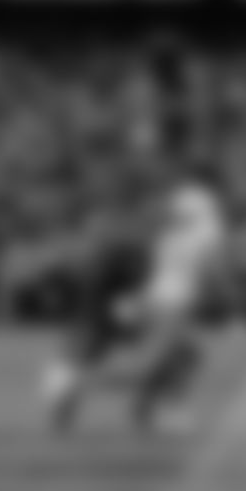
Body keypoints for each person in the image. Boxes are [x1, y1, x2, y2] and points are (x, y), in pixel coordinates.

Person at [42, 181, 227, 434]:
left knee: (184, 355)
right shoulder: (200, 235)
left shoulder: (167, 235)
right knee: (150, 366)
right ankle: (77, 384)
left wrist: (136, 300)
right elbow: (210, 276)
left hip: (151, 301)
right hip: (168, 305)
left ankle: (146, 410)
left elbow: (152, 266)